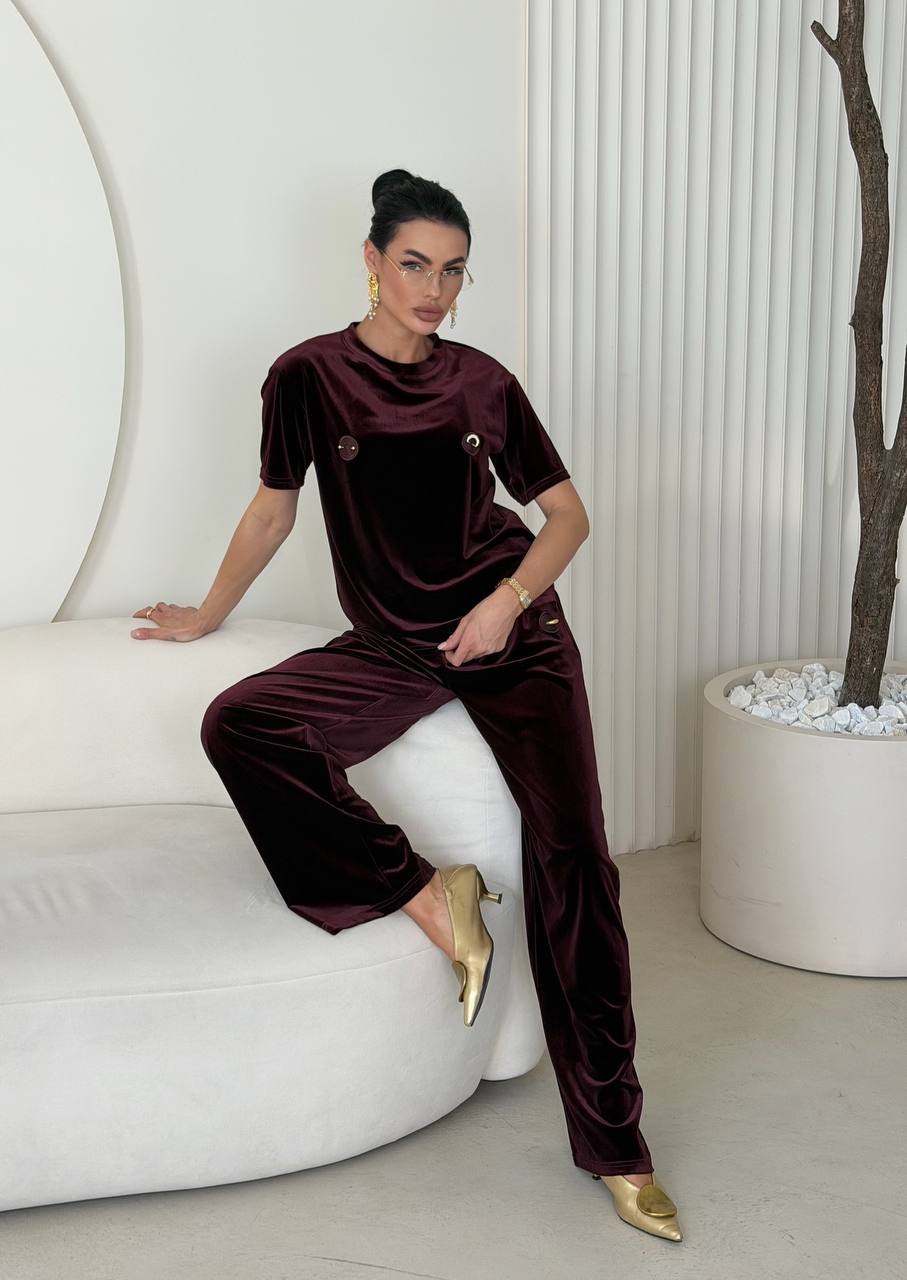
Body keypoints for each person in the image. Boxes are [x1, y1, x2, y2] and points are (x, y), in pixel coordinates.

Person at [130, 168, 683, 1243]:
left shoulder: (484, 383)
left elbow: (566, 516)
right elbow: (273, 510)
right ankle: (430, 893)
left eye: (454, 270)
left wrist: (506, 601)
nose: (435, 290)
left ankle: (618, 1144)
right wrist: (206, 613)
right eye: (416, 265)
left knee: (577, 863)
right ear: (373, 263)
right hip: (393, 643)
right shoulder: (307, 375)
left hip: (514, 636)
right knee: (242, 724)